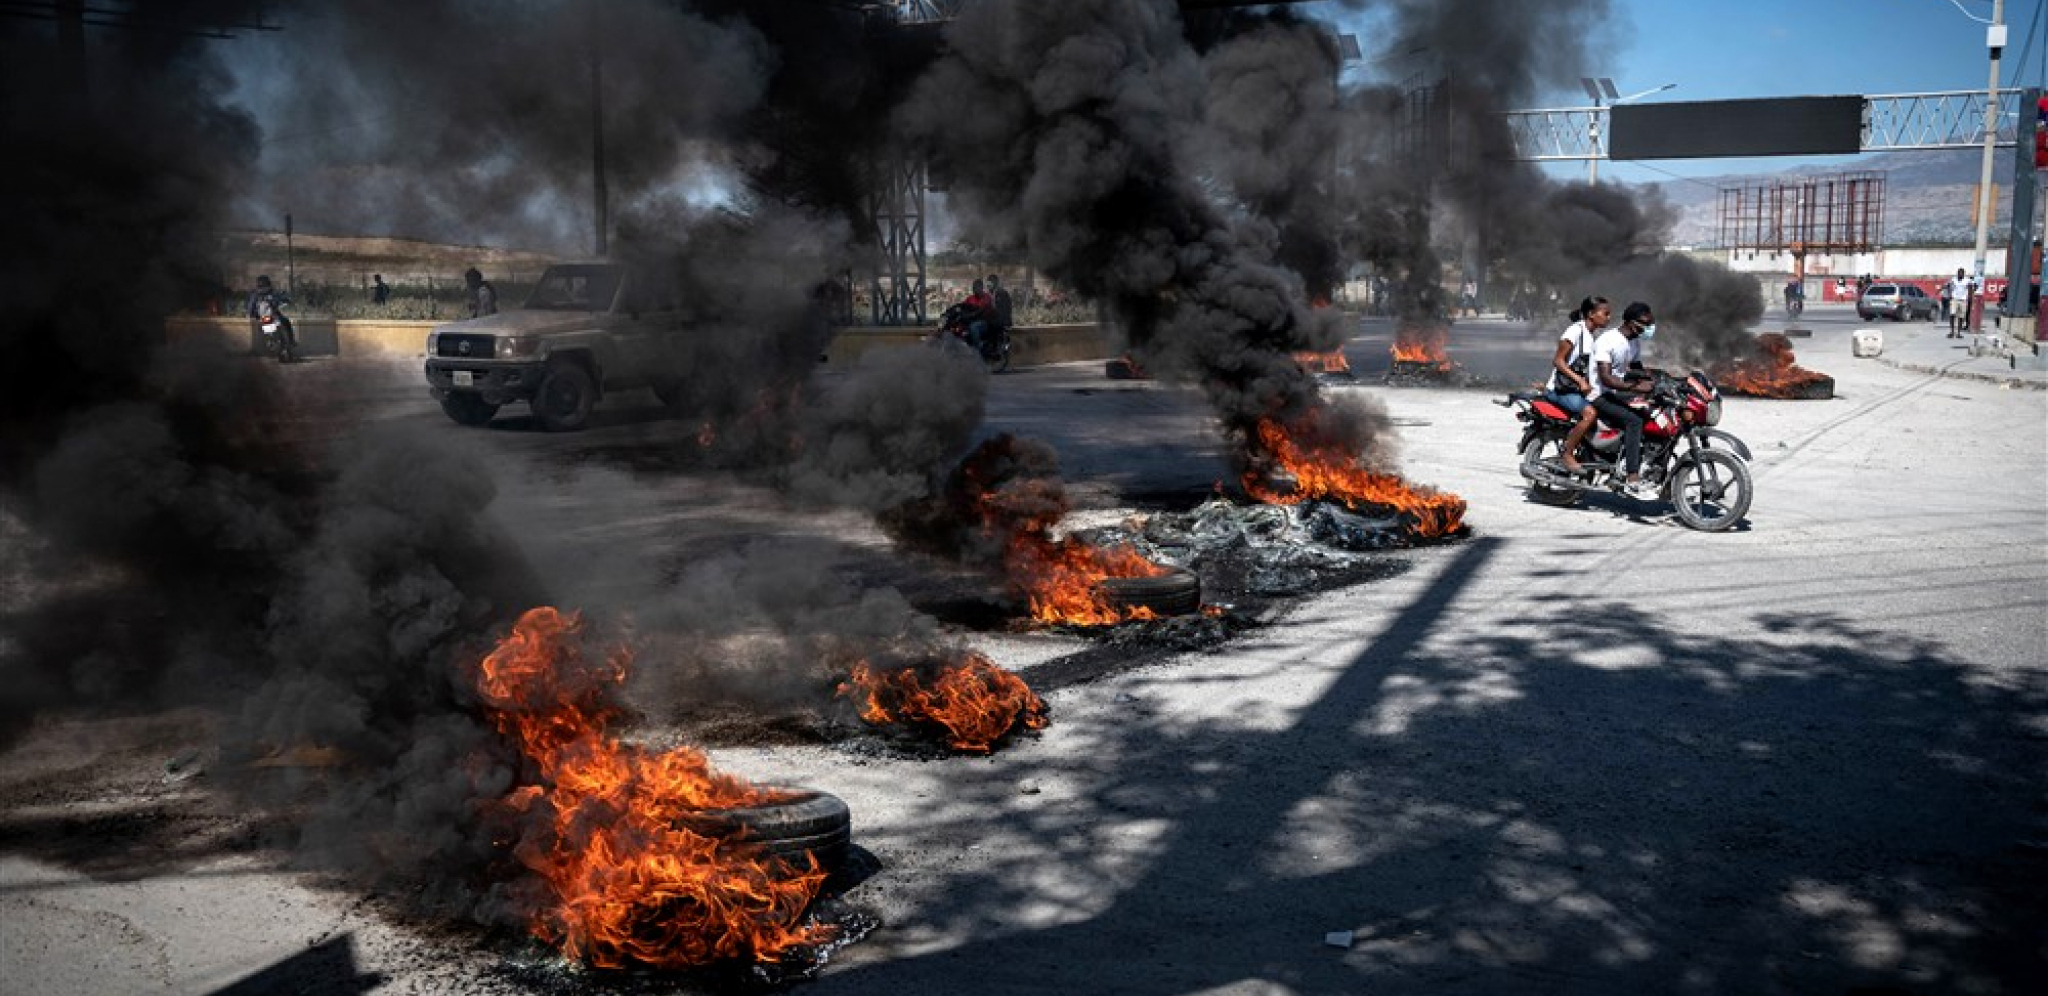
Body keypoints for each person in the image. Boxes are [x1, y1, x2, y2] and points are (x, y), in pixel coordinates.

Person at [1588, 301, 1659, 496]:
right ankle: (1632, 476)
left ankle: (1638, 457)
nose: (1649, 328)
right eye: (1645, 323)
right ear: (1630, 322)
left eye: (1650, 323)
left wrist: (1660, 379)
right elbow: (1606, 378)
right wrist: (1637, 387)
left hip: (1618, 391)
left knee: (1653, 410)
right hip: (1600, 394)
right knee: (1634, 420)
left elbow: (1636, 369)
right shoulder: (1607, 340)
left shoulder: (1633, 341)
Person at [1547, 296, 1610, 474]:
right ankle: (1567, 453)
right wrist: (1580, 380)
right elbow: (1558, 361)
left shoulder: (1591, 336)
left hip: (1575, 390)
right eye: (1605, 313)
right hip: (1560, 390)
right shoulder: (1574, 331)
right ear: (1591, 314)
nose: (1608, 317)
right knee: (1590, 414)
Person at [246, 273, 295, 356]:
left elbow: (251, 309)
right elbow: (251, 308)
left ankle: (289, 342)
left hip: (268, 318)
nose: (264, 288)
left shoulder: (258, 295)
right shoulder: (262, 295)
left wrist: (253, 315)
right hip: (268, 318)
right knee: (282, 324)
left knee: (285, 322)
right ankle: (288, 342)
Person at [960, 278, 992, 350]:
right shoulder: (970, 298)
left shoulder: (986, 297)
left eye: (976, 287)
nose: (974, 289)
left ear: (981, 287)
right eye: (973, 287)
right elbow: (962, 306)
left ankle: (978, 347)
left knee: (973, 327)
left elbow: (983, 308)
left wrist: (973, 314)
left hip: (984, 321)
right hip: (972, 320)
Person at [986, 273, 1014, 344]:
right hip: (997, 320)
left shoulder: (1002, 293)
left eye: (990, 282)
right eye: (987, 282)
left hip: (1002, 321)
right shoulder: (991, 294)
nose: (988, 285)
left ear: (995, 283)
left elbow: (1005, 310)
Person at [1946, 268, 1972, 336]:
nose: (1960, 274)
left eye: (1961, 273)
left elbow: (1970, 288)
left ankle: (1958, 333)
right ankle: (1952, 331)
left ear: (1964, 274)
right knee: (1952, 314)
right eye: (1959, 273)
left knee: (1961, 317)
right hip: (1955, 299)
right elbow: (1948, 285)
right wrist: (1950, 294)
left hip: (1963, 300)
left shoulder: (1967, 280)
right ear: (1957, 273)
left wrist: (1969, 297)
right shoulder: (1953, 279)